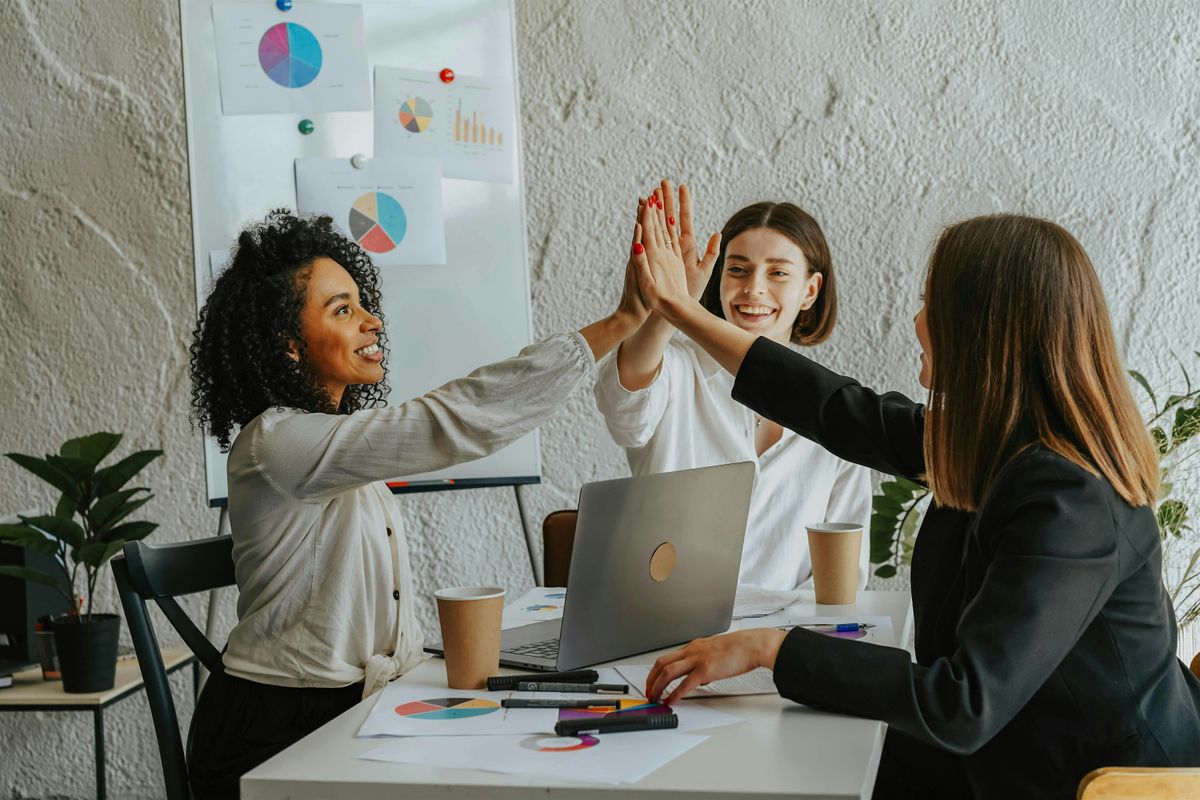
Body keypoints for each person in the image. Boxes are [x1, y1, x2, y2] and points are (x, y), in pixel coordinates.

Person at [631, 200, 1200, 798]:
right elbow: (835, 408)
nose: (917, 320)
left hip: (1092, 781)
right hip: (1012, 749)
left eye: (933, 303)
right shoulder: (996, 443)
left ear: (984, 329)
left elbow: (960, 703)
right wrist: (680, 310)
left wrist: (770, 648)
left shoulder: (1069, 496)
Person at [185, 209, 648, 798]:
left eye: (361, 303)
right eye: (342, 310)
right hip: (277, 731)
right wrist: (621, 323)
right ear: (288, 346)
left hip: (346, 711)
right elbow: (446, 423)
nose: (372, 322)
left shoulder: (331, 444)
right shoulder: (277, 443)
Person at [594, 182, 870, 590]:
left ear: (810, 291)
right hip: (665, 634)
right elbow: (623, 406)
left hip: (780, 643)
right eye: (737, 269)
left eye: (777, 272)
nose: (754, 288)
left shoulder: (838, 409)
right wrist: (672, 305)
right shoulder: (676, 369)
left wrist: (779, 646)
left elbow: (843, 575)